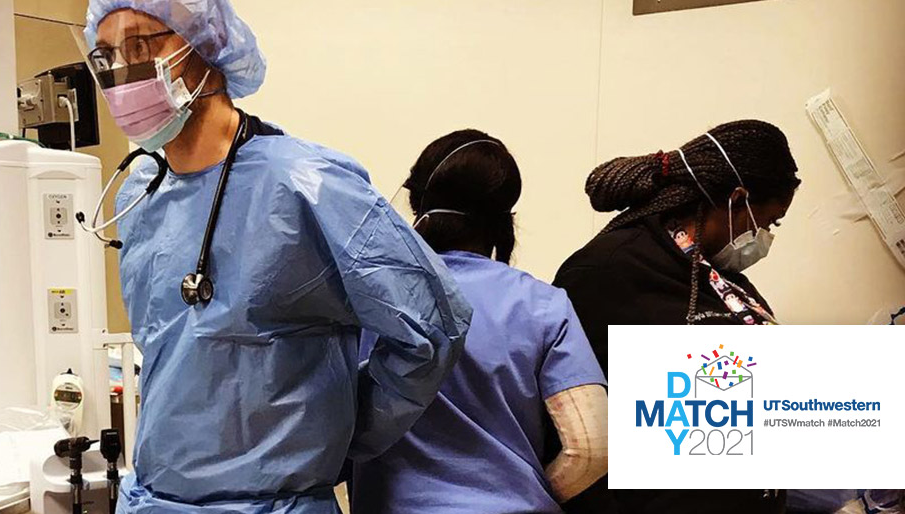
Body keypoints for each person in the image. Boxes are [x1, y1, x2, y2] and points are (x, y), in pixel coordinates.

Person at [82, 1, 472, 512]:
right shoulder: (140, 194)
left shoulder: (308, 185)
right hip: (156, 500)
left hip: (276, 503)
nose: (121, 73)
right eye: (106, 55)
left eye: (141, 45)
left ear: (207, 44)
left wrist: (342, 430)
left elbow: (431, 326)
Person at [351, 130, 608, 514]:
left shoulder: (366, 299)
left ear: (416, 203)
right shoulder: (541, 304)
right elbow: (592, 447)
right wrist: (526, 494)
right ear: (504, 220)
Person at [553, 119, 802, 514]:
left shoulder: (720, 278)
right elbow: (584, 428)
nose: (766, 235)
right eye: (768, 222)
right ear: (738, 200)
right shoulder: (607, 271)